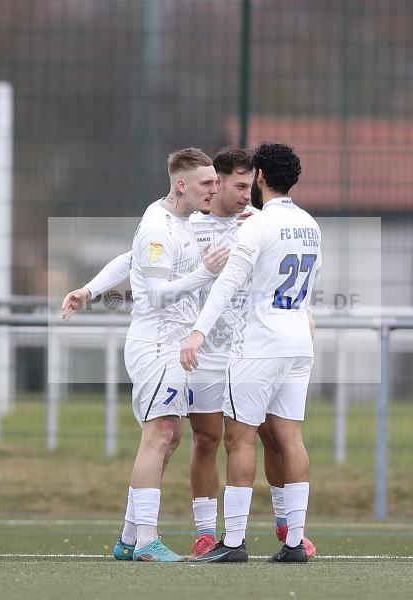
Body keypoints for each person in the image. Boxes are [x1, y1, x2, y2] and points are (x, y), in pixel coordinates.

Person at [62, 146, 316, 560]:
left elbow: (285, 270)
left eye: (245, 185)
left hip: (242, 344)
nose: (239, 194)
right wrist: (91, 289)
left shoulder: (255, 223)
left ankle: (284, 527)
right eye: (230, 185)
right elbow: (137, 261)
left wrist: (304, 309)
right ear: (202, 187)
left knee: (261, 435)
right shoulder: (184, 224)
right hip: (188, 348)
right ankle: (201, 534)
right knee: (200, 437)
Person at [180, 143, 321, 563]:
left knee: (239, 440)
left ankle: (234, 542)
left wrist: (198, 332)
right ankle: (295, 542)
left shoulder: (256, 226)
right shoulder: (310, 223)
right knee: (290, 438)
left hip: (260, 344)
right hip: (298, 341)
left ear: (260, 177)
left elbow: (227, 284)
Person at [93, 148, 228, 563]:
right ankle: (147, 541)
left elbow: (130, 260)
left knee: (170, 437)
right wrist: (205, 273)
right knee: (159, 436)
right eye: (208, 182)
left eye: (216, 181)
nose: (215, 188)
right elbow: (154, 292)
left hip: (172, 345)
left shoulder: (179, 221)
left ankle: (129, 538)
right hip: (157, 344)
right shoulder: (159, 227)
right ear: (181, 184)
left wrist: (89, 289)